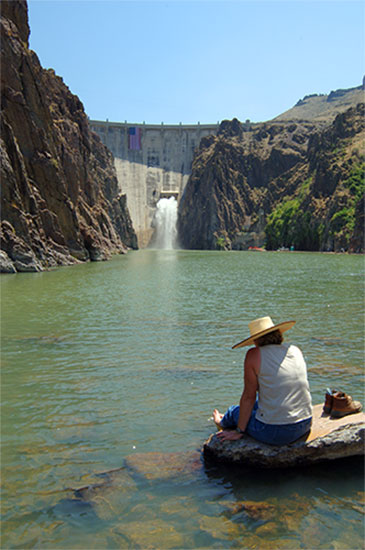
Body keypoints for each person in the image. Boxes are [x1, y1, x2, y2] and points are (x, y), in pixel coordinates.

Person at [214, 316, 312, 445]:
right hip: (305, 424)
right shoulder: (294, 350)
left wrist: (239, 431)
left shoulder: (254, 355)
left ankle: (222, 422)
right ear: (278, 334)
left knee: (235, 411)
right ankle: (227, 417)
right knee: (257, 405)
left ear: (256, 340)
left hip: (275, 432)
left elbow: (249, 396)